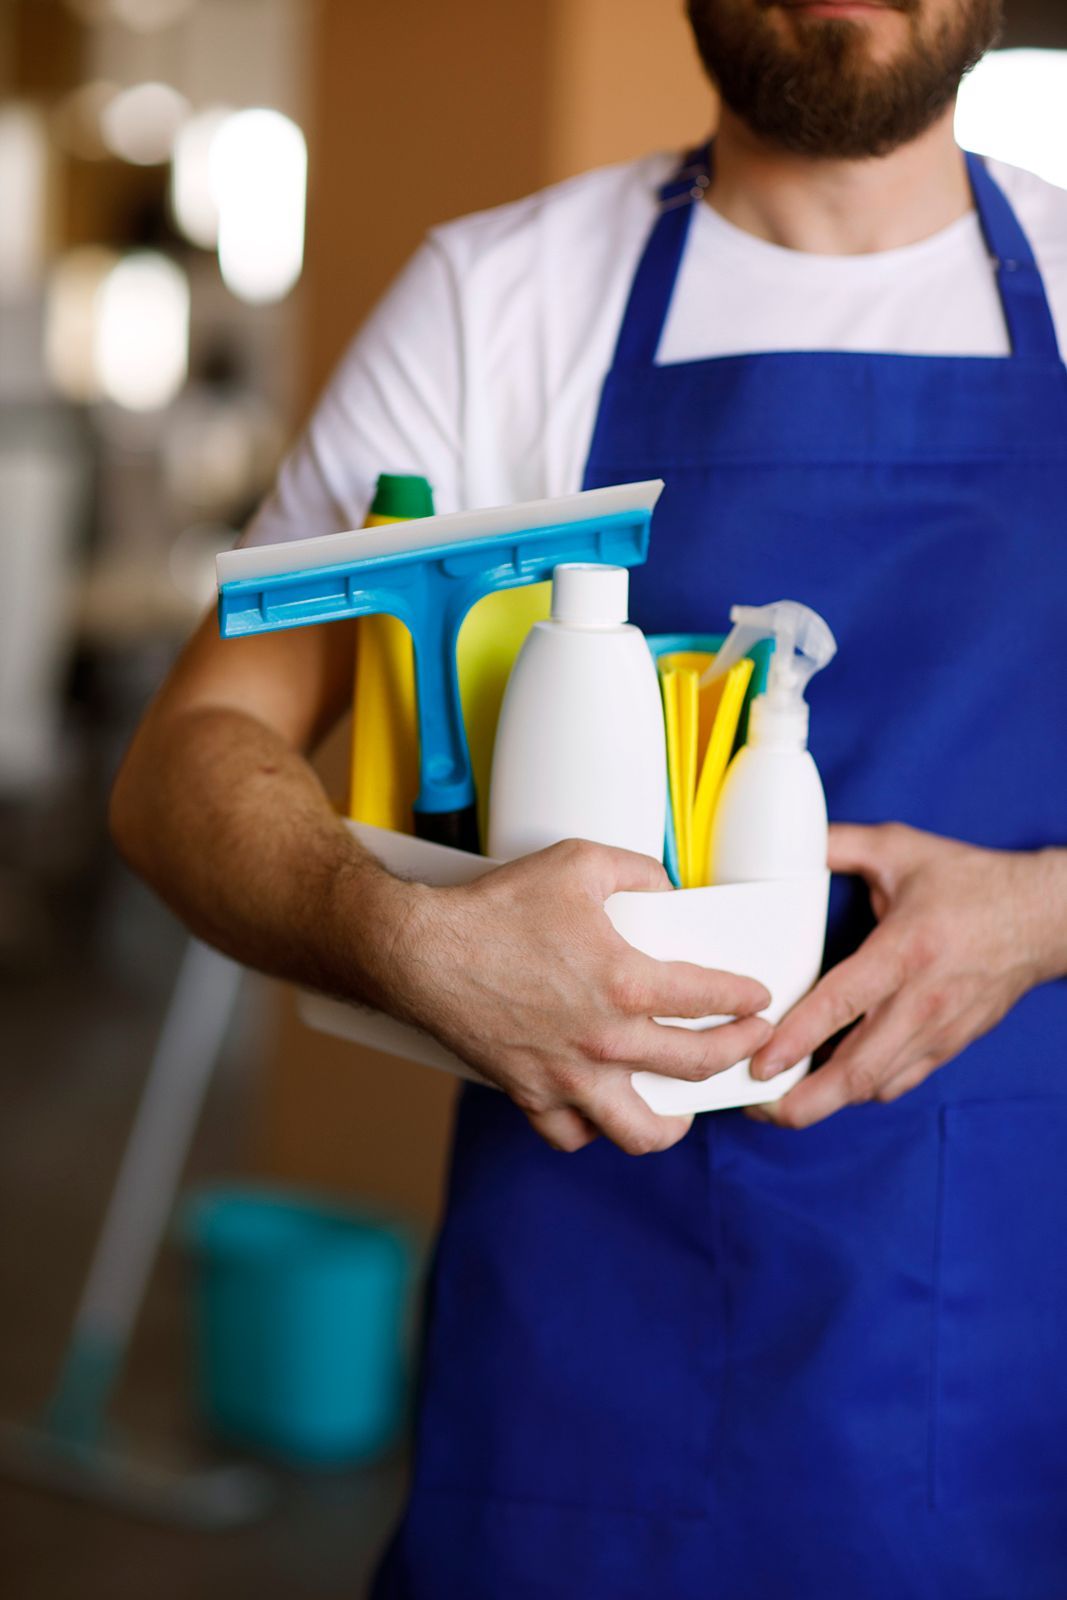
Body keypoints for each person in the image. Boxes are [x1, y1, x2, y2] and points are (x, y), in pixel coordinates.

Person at [111, 0, 1067, 1592]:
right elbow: (183, 760)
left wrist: (1046, 913)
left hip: (1011, 1372)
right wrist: (398, 935)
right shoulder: (503, 303)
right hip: (583, 1383)